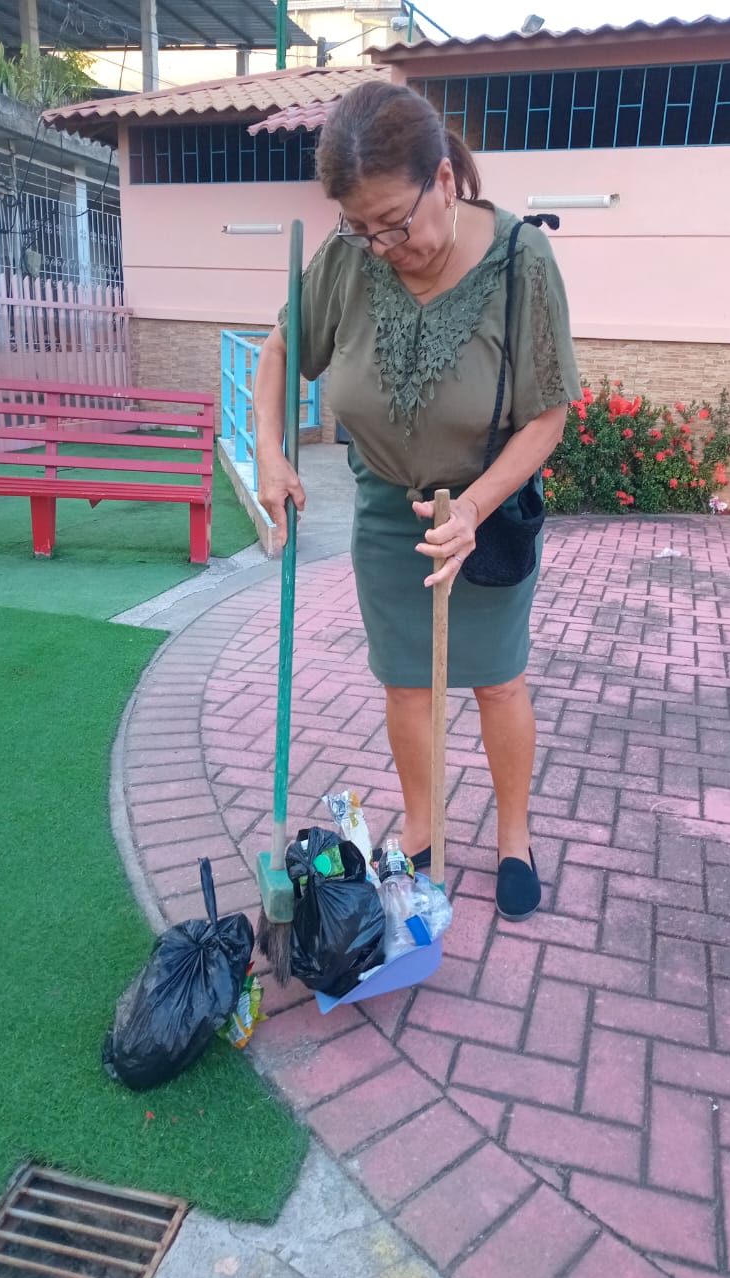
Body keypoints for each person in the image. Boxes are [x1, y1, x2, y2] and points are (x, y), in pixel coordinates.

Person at [253, 81, 580, 922]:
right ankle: (425, 828)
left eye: (395, 223)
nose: (382, 245)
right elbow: (282, 348)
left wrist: (472, 509)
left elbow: (548, 415)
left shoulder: (521, 261)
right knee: (405, 685)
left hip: (488, 515)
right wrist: (271, 453)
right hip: (387, 509)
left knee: (498, 681)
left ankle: (514, 837)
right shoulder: (352, 256)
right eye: (361, 227)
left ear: (442, 180)